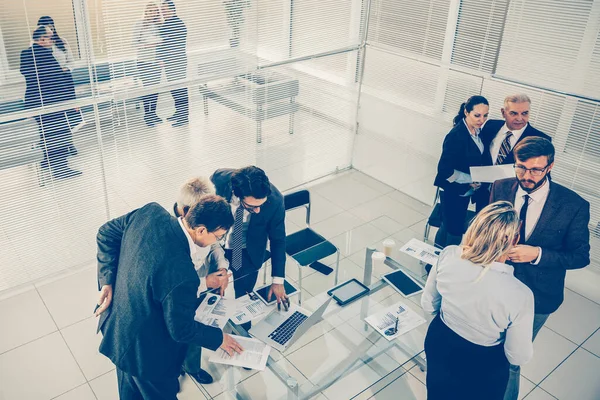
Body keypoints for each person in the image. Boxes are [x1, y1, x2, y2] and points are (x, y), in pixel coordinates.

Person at [95, 196, 243, 399]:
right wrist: (219, 338)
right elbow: (180, 329)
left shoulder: (150, 212)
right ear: (200, 230)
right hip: (145, 356)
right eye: (218, 236)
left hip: (118, 329)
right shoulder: (183, 274)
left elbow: (105, 233)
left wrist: (107, 282)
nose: (218, 241)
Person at [489, 137, 591, 400]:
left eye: (535, 169)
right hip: (496, 286)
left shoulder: (574, 205)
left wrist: (537, 254)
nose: (526, 175)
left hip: (538, 297)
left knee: (512, 359)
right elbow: (487, 226)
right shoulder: (501, 187)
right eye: (520, 167)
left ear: (550, 166)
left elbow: (580, 256)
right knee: (488, 346)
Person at [422, 201, 535, 400]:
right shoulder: (521, 295)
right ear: (514, 240)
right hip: (483, 362)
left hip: (440, 342)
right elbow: (518, 355)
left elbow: (428, 304)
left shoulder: (448, 254)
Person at [173, 177, 229, 384]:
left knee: (195, 327)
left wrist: (222, 268)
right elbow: (176, 283)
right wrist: (207, 281)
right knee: (176, 333)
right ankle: (173, 368)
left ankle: (192, 367)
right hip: (184, 290)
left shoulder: (204, 218)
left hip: (203, 285)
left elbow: (214, 245)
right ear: (186, 212)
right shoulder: (171, 236)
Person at [210, 166, 288, 309]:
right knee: (213, 293)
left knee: (244, 299)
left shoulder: (275, 201)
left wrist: (278, 280)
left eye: (261, 205)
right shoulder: (220, 180)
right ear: (237, 194)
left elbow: (278, 240)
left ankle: (243, 328)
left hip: (247, 252)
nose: (257, 210)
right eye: (251, 207)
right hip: (215, 246)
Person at [20, 25, 81, 179]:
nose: (53, 40)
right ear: (42, 39)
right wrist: (71, 101)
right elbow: (57, 81)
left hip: (36, 101)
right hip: (51, 101)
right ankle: (61, 169)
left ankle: (47, 160)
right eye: (50, 37)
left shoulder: (26, 53)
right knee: (59, 132)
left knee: (46, 132)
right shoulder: (45, 55)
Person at [433, 95, 490, 247]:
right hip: (454, 190)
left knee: (448, 225)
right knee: (454, 230)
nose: (482, 119)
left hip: (465, 191)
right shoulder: (456, 136)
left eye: (485, 115)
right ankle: (444, 264)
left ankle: (433, 264)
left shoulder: (477, 131)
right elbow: (444, 170)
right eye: (477, 115)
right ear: (466, 112)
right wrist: (470, 180)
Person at [37, 15, 83, 154]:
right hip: (49, 84)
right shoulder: (36, 44)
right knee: (54, 117)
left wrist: (63, 69)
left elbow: (71, 62)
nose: (49, 29)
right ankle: (54, 149)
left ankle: (69, 143)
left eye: (50, 26)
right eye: (45, 27)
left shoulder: (61, 42)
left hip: (65, 80)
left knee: (68, 113)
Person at [480, 94, 551, 166]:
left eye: (524, 113)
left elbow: (544, 173)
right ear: (503, 113)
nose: (519, 118)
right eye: (513, 113)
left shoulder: (542, 141)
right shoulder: (490, 125)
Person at [158, 0, 189, 127]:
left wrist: (161, 57)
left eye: (164, 10)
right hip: (172, 62)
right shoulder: (168, 24)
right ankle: (179, 112)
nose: (162, 12)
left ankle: (183, 117)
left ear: (172, 10)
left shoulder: (176, 24)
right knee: (175, 89)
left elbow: (167, 45)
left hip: (176, 62)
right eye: (162, 10)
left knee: (179, 89)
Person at [133, 1, 163, 127]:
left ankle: (153, 114)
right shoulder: (139, 24)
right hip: (144, 62)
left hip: (156, 62)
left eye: (155, 11)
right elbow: (134, 43)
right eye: (150, 11)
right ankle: (147, 116)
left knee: (155, 90)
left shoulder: (159, 25)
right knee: (147, 89)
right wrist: (147, 45)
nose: (152, 13)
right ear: (146, 12)